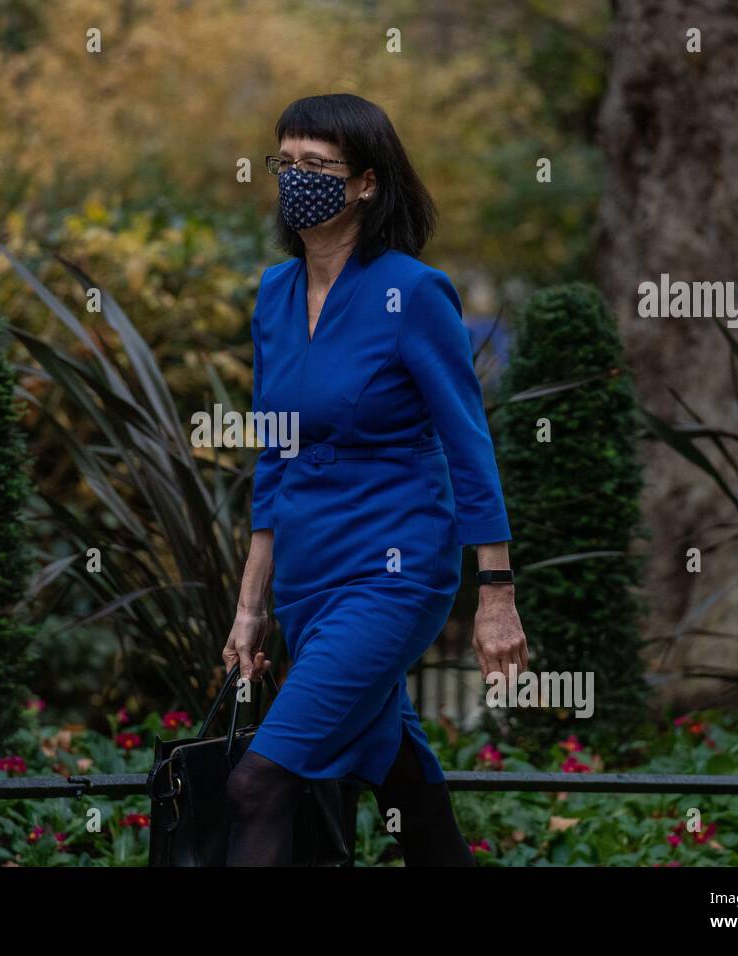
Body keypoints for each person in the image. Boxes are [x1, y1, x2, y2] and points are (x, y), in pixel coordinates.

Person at [223, 93, 529, 866]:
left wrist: (496, 593)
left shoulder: (413, 292)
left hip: (394, 571)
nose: (297, 181)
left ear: (365, 183)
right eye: (284, 164)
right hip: (308, 569)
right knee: (406, 788)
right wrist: (249, 608)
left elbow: (469, 444)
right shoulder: (273, 293)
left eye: (317, 167)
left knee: (257, 784)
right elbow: (274, 453)